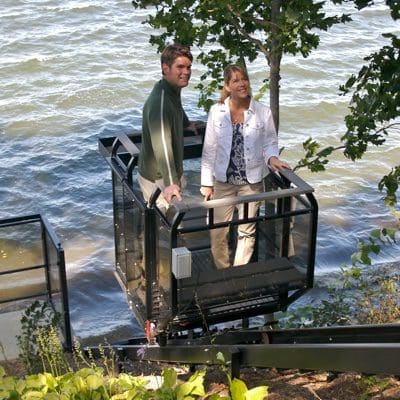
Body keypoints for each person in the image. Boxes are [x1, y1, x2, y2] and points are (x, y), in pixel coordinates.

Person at [200, 64, 290, 269]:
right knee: (217, 230)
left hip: (251, 183)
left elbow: (269, 143)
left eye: (244, 79)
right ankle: (223, 271)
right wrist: (207, 183)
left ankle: (238, 274)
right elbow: (209, 149)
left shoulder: (262, 112)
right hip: (223, 182)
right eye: (236, 80)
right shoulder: (217, 111)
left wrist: (272, 159)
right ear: (227, 86)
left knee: (247, 232)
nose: (242, 84)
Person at [137, 43, 196, 208]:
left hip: (168, 174)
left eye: (189, 67)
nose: (186, 72)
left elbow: (176, 106)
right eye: (180, 67)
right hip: (158, 178)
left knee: (174, 221)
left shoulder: (171, 89)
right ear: (165, 68)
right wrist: (170, 182)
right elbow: (162, 144)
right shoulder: (160, 103)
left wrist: (185, 123)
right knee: (162, 226)